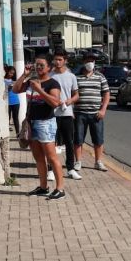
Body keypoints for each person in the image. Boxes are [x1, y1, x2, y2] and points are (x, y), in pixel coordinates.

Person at [12, 55, 65, 200]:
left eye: (42, 65)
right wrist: (24, 75)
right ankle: (43, 187)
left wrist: (40, 90)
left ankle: (60, 189)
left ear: (49, 68)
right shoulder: (31, 82)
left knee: (51, 157)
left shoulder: (52, 84)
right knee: (38, 157)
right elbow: (15, 90)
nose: (38, 67)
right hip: (32, 123)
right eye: (36, 65)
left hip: (45, 123)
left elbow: (55, 103)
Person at [74, 52, 110, 171]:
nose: (90, 63)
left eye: (92, 61)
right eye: (88, 61)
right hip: (80, 113)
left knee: (98, 139)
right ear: (83, 62)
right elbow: (72, 94)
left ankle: (98, 162)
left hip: (96, 114)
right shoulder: (76, 77)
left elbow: (106, 94)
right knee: (78, 139)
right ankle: (78, 161)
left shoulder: (100, 77)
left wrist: (103, 110)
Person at [48, 50, 81, 181]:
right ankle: (50, 170)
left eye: (60, 59)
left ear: (65, 61)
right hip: (52, 113)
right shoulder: (50, 76)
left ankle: (70, 169)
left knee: (69, 141)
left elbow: (76, 95)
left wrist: (70, 101)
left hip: (67, 113)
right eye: (55, 59)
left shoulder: (71, 76)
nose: (57, 62)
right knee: (51, 143)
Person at [4, 66, 20, 135]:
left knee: (15, 118)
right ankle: (6, 134)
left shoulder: (14, 81)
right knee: (7, 118)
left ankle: (18, 134)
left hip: (16, 102)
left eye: (13, 73)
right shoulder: (3, 80)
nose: (11, 75)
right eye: (10, 73)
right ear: (7, 71)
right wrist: (7, 88)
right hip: (7, 102)